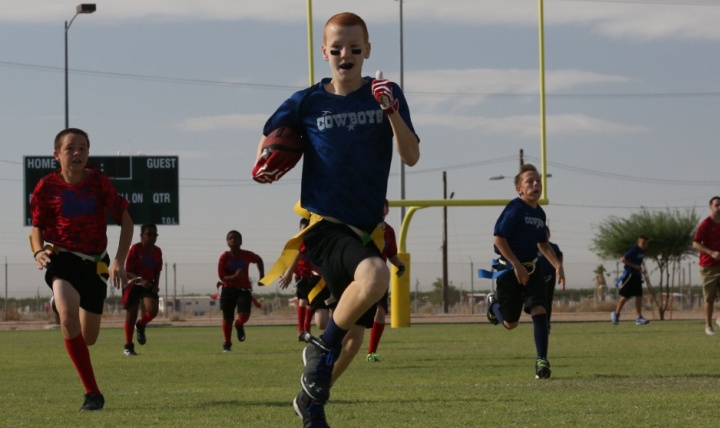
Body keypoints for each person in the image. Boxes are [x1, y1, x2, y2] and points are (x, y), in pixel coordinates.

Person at [254, 12, 419, 428]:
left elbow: (412, 155)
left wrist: (392, 111)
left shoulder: (385, 93)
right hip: (325, 225)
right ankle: (320, 350)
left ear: (367, 52)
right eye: (337, 48)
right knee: (376, 276)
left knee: (355, 340)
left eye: (354, 48)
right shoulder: (308, 100)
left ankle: (310, 400)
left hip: (366, 229)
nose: (345, 54)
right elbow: (269, 137)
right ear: (324, 53)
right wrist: (265, 160)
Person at [30, 128, 133, 411]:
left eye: (83, 149)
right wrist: (39, 251)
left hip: (96, 262)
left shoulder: (99, 182)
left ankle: (66, 304)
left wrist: (119, 260)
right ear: (57, 155)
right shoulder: (46, 187)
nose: (77, 153)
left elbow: (126, 222)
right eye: (70, 148)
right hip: (62, 258)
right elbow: (36, 229)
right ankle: (93, 393)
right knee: (67, 316)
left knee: (88, 338)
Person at [484, 164, 564, 380]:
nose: (536, 184)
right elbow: (499, 240)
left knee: (540, 309)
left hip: (532, 268)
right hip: (510, 270)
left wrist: (557, 265)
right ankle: (493, 304)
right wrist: (517, 265)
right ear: (519, 189)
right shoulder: (514, 209)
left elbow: (543, 245)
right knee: (511, 324)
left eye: (538, 181)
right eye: (530, 181)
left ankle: (542, 361)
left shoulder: (540, 213)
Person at [367, 199, 405, 362]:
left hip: (380, 275)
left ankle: (371, 352)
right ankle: (338, 346)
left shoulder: (389, 230)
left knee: (380, 312)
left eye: (384, 206)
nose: (381, 209)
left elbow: (391, 254)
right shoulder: (364, 226)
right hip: (362, 274)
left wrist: (400, 265)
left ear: (387, 210)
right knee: (354, 313)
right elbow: (359, 244)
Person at [280, 218, 330, 341]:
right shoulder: (296, 243)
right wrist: (286, 272)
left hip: (316, 277)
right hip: (301, 276)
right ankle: (301, 330)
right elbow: (288, 258)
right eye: (302, 230)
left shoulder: (317, 241)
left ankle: (306, 329)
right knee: (303, 301)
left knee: (310, 304)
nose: (304, 232)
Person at [217, 230, 265, 352]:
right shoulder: (224, 257)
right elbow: (222, 277)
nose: (233, 240)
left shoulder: (247, 255)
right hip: (228, 289)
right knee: (227, 318)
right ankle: (227, 344)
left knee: (245, 313)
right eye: (230, 238)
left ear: (241, 241)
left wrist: (262, 276)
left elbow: (259, 259)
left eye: (236, 238)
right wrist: (234, 277)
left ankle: (239, 324)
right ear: (227, 242)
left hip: (243, 289)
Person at [122, 223, 163, 356]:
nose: (152, 237)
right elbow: (128, 271)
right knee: (131, 315)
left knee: (152, 310)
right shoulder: (135, 249)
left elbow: (157, 270)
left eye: (154, 234)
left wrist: (156, 284)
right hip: (133, 284)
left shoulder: (157, 251)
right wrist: (140, 280)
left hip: (148, 285)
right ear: (142, 236)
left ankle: (141, 325)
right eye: (149, 234)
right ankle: (128, 346)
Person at [692, 196, 720, 335]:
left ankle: (719, 318)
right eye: (717, 205)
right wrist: (711, 252)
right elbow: (695, 243)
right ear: (711, 207)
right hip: (708, 266)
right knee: (709, 298)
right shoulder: (706, 224)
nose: (719, 207)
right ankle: (708, 326)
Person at [610, 235, 650, 326]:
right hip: (629, 275)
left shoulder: (643, 251)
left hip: (637, 276)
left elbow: (639, 262)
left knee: (639, 296)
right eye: (643, 243)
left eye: (646, 243)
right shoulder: (634, 249)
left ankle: (639, 318)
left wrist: (640, 271)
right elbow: (623, 259)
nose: (644, 245)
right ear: (638, 242)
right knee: (625, 296)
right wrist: (634, 266)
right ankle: (616, 314)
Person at [536, 226, 564, 331]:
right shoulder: (534, 246)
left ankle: (546, 324)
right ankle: (539, 323)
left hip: (550, 277)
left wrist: (559, 268)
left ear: (549, 235)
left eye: (546, 233)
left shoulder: (553, 247)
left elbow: (559, 256)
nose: (545, 235)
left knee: (548, 301)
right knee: (538, 302)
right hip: (536, 278)